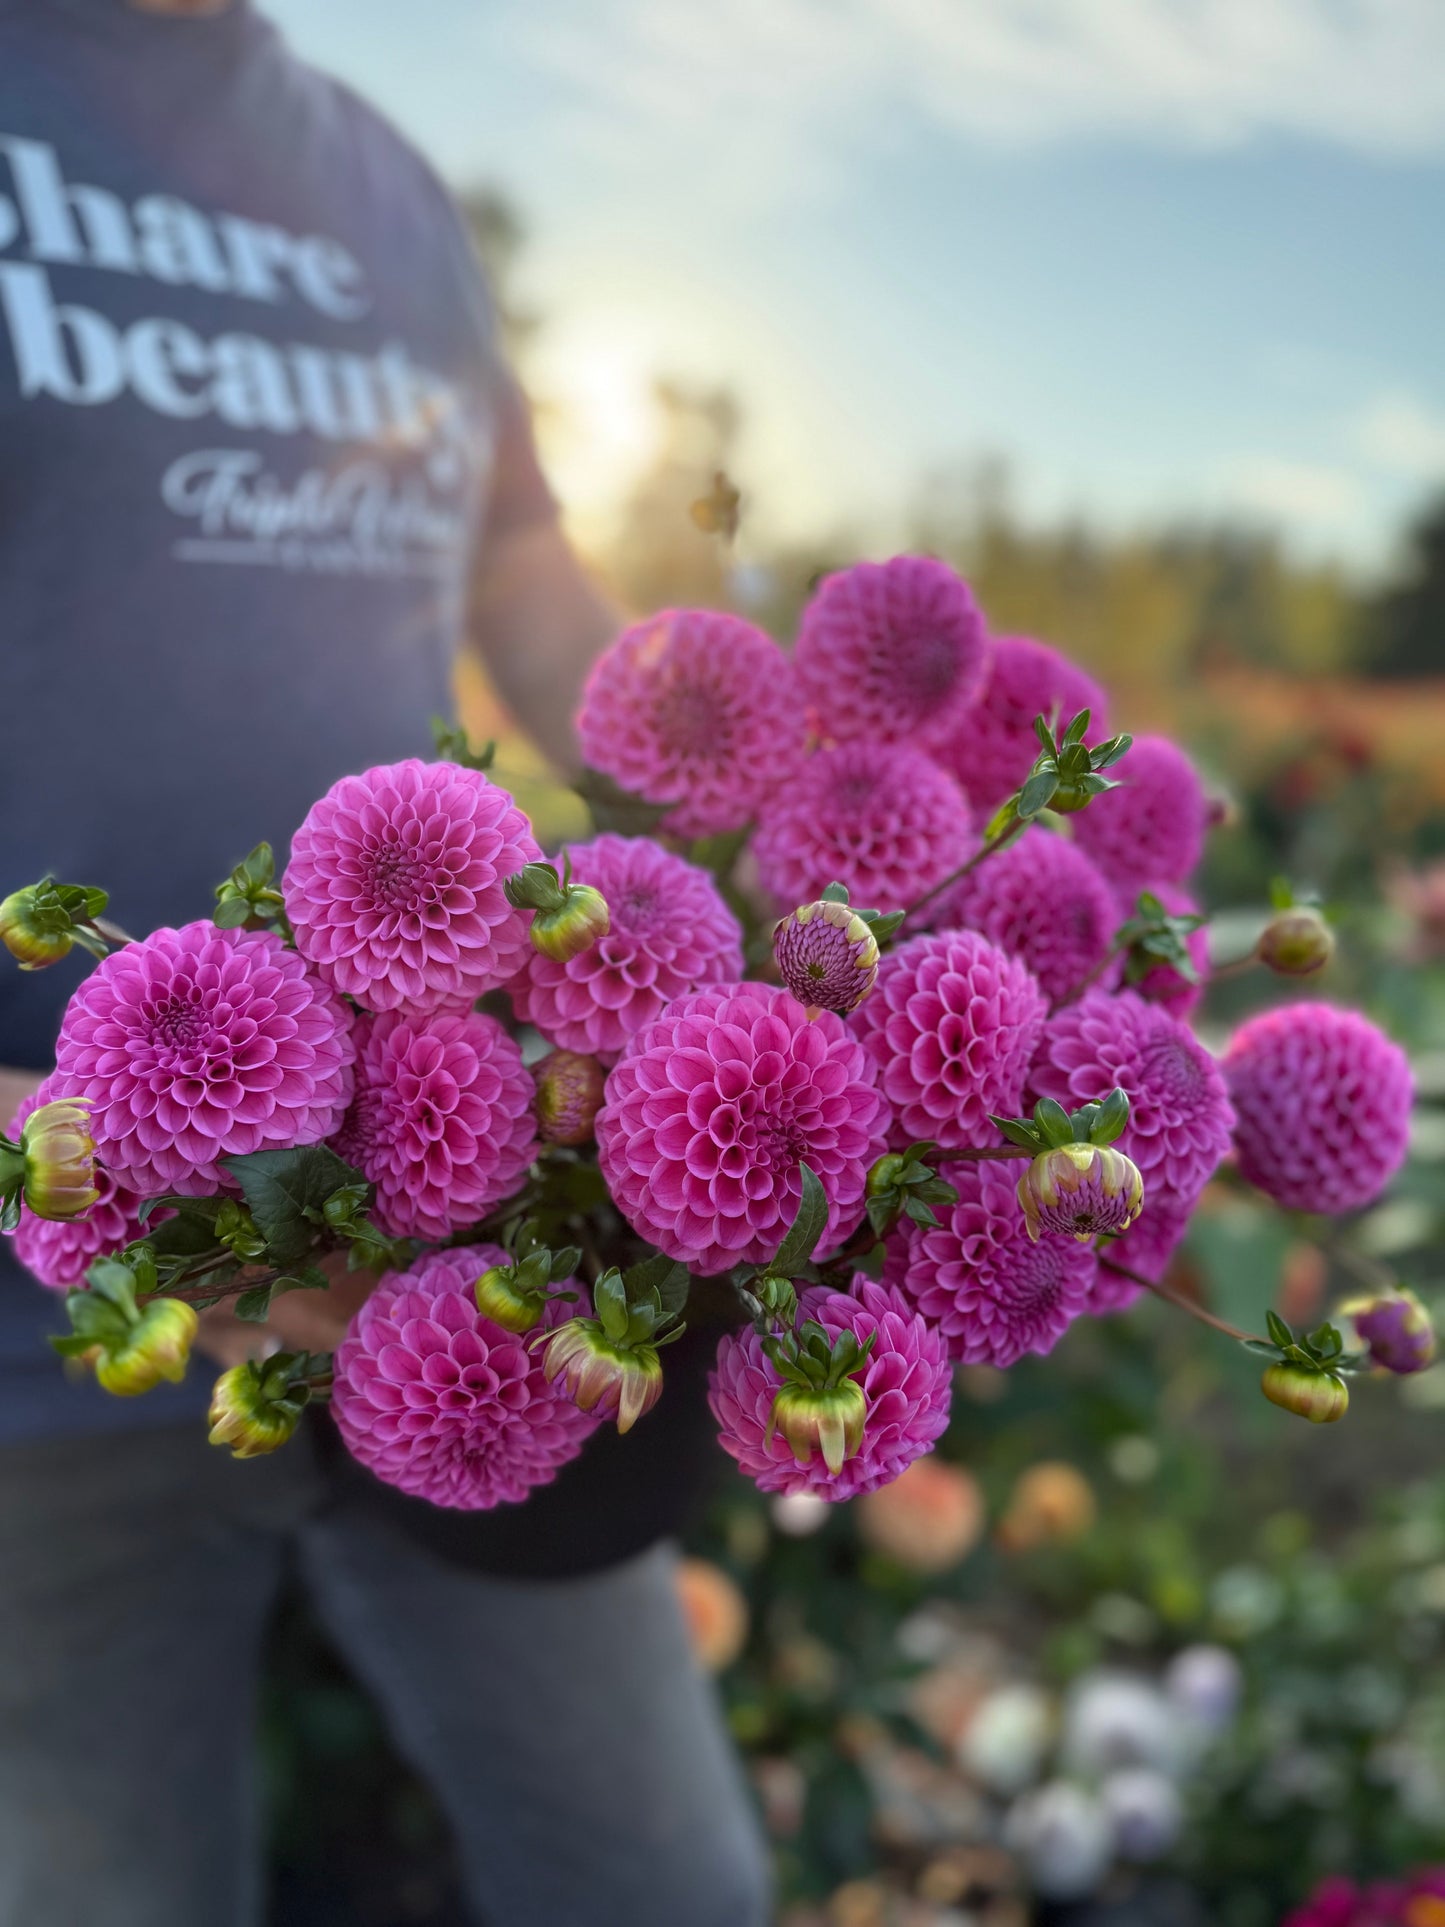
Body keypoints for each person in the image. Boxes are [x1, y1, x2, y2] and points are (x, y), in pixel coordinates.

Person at [0, 2, 771, 1922]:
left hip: (475, 1236)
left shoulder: (383, 181)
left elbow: (516, 568)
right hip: (40, 1357)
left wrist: (771, 827)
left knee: (661, 1886)